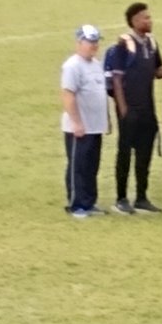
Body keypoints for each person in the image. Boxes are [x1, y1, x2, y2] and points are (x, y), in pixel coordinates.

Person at [111, 2, 162, 214]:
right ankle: (121, 198)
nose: (150, 21)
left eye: (150, 17)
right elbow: (117, 78)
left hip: (148, 109)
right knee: (124, 153)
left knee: (144, 153)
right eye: (145, 18)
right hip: (130, 109)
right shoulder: (124, 44)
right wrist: (123, 110)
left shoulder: (151, 43)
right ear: (134, 21)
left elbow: (157, 71)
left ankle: (141, 197)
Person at [60, 24, 109, 217]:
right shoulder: (72, 66)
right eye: (90, 41)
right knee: (78, 166)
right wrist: (77, 122)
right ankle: (76, 204)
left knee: (91, 166)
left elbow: (100, 93)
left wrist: (106, 119)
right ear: (79, 42)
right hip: (79, 127)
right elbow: (67, 94)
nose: (94, 45)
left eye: (96, 41)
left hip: (95, 126)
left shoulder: (96, 65)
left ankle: (89, 202)